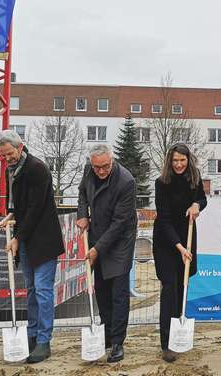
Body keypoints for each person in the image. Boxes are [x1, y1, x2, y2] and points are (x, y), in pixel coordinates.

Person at [0, 129, 65, 364]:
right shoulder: (11, 170)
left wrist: (17, 237)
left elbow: (36, 208)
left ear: (20, 146)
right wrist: (10, 214)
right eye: (3, 155)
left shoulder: (37, 168)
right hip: (26, 238)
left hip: (43, 239)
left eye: (10, 153)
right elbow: (18, 203)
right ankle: (32, 334)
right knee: (32, 290)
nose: (7, 158)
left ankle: (44, 340)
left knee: (44, 290)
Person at [76, 144, 138, 363]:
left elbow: (120, 223)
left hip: (120, 241)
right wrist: (82, 214)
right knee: (101, 290)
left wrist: (96, 249)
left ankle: (118, 342)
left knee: (118, 294)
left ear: (112, 161)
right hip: (97, 235)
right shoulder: (88, 171)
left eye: (105, 166)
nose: (101, 171)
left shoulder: (126, 181)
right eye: (97, 167)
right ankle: (107, 335)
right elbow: (82, 192)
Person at [153, 143, 207, 362]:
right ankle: (167, 344)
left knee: (181, 289)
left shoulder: (194, 179)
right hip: (167, 242)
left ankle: (178, 337)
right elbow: (163, 219)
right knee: (169, 289)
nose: (178, 164)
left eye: (182, 160)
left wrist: (197, 205)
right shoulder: (161, 183)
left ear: (188, 160)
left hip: (188, 235)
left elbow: (202, 199)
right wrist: (180, 247)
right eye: (175, 160)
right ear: (169, 161)